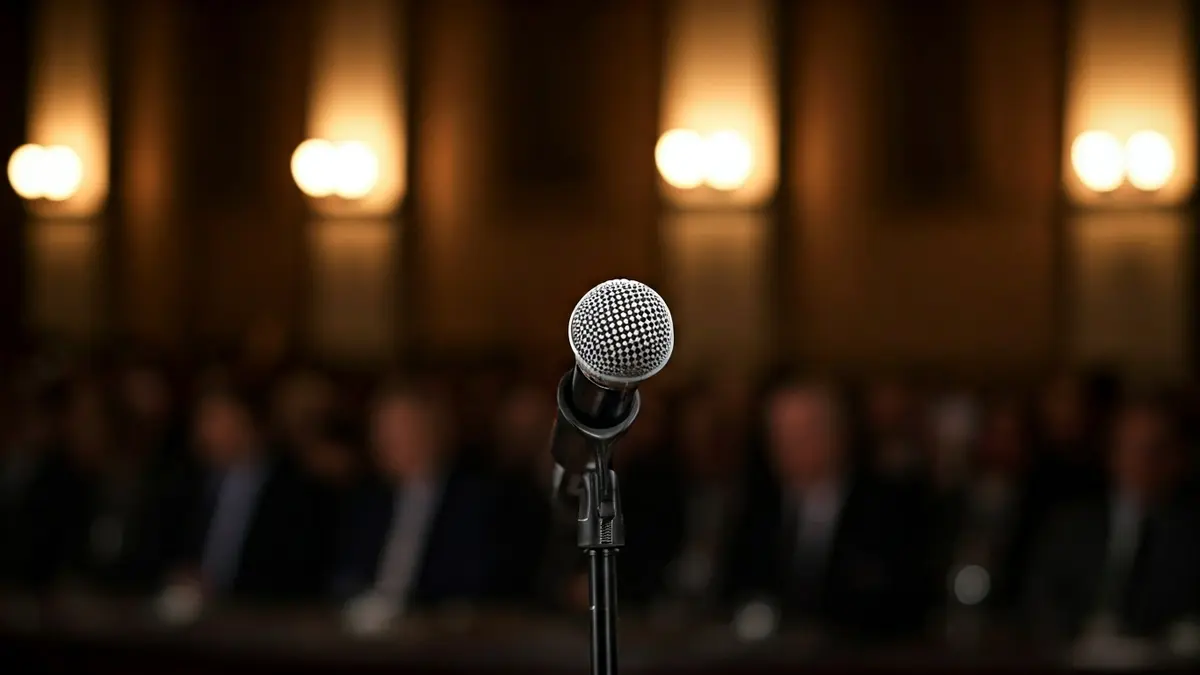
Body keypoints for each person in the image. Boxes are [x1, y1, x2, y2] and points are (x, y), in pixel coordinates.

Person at [726, 379, 931, 638]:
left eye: (803, 433)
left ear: (838, 433)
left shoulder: (890, 507)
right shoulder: (757, 511)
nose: (788, 447)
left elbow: (901, 599)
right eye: (779, 434)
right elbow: (739, 592)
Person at [1027, 397, 1200, 641]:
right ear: (1112, 455)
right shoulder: (1069, 525)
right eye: (1130, 448)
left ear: (1179, 457)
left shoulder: (1191, 534)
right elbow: (1040, 600)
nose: (1142, 462)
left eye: (1154, 450)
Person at [331, 380, 493, 614]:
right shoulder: (367, 501)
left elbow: (473, 585)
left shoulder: (474, 501)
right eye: (382, 429)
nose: (386, 441)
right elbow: (347, 575)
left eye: (401, 428)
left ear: (433, 429)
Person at [157, 383, 327, 602]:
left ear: (247, 422)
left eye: (214, 419)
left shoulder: (294, 490)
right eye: (200, 420)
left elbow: (296, 571)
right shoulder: (189, 484)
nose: (203, 432)